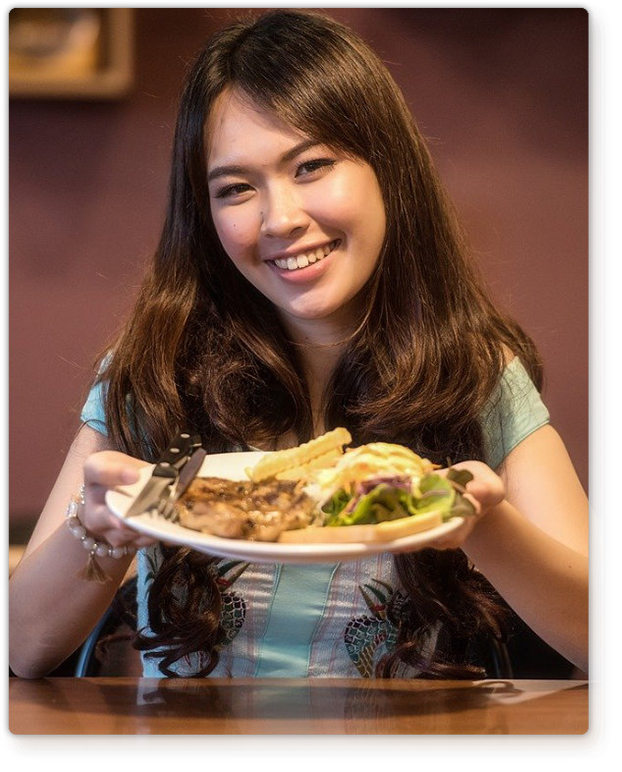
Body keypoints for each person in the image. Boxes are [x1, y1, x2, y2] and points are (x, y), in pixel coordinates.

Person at [9, 9, 588, 680]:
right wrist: (98, 532)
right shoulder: (155, 373)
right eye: (235, 189)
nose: (280, 219)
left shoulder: (473, 376)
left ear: (389, 169)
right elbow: (22, 648)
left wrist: (483, 524)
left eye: (311, 166)